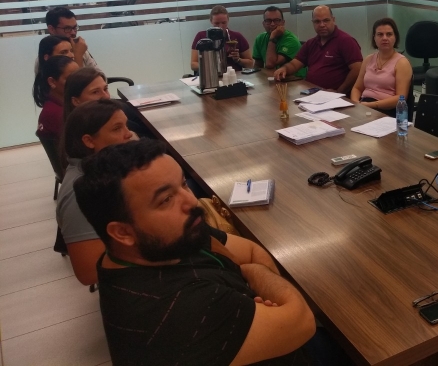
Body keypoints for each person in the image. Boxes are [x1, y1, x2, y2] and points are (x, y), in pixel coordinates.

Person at [73, 139, 321, 366]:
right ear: (122, 232)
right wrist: (255, 274)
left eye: (183, 184)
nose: (191, 202)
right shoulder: (178, 310)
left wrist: (257, 284)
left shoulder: (164, 241)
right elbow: (301, 322)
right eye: (166, 199)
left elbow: (251, 249)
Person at [57, 99, 133, 285]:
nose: (129, 134)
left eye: (126, 125)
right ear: (89, 141)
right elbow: (88, 272)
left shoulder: (101, 167)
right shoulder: (79, 192)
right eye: (117, 129)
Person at [274, 5, 363, 94]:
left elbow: (358, 69)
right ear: (312, 23)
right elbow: (295, 64)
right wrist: (284, 69)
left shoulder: (346, 41)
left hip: (335, 96)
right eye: (317, 21)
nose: (322, 25)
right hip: (311, 93)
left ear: (333, 20)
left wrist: (339, 92)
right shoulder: (311, 43)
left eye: (326, 20)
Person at [63, 67, 150, 139]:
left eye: (105, 89)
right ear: (76, 101)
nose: (106, 96)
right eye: (95, 92)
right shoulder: (81, 133)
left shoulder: (120, 109)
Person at [350, 17, 412, 116]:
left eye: (389, 34)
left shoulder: (402, 63)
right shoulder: (368, 59)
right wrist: (356, 103)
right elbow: (357, 88)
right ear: (374, 38)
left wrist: (372, 105)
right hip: (364, 106)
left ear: (395, 37)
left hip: (386, 109)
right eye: (380, 34)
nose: (384, 38)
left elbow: (401, 98)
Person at [190, 5, 254, 72]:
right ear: (211, 21)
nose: (220, 26)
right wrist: (210, 67)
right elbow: (193, 64)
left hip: (233, 75)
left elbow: (250, 64)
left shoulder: (237, 37)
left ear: (228, 20)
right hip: (209, 75)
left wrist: (238, 59)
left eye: (224, 23)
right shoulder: (201, 37)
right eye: (216, 23)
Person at [34, 7, 96, 73]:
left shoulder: (80, 49)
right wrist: (78, 56)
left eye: (75, 27)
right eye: (67, 28)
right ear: (52, 29)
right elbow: (73, 79)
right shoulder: (49, 56)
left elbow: (100, 76)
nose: (73, 32)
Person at [34, 55, 80, 140]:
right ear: (52, 82)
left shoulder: (66, 105)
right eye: (71, 78)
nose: (78, 82)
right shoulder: (54, 113)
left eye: (79, 76)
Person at [252, 6, 305, 76]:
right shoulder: (260, 38)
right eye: (268, 21)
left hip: (294, 80)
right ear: (263, 24)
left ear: (283, 23)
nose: (272, 24)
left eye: (276, 20)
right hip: (272, 78)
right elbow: (258, 66)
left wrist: (272, 37)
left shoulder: (291, 40)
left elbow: (270, 64)